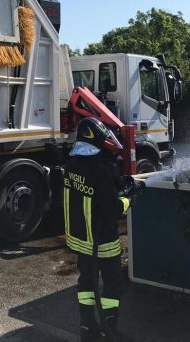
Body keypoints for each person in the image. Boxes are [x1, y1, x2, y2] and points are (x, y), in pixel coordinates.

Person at [63, 117, 134, 342]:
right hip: (102, 241)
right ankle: (109, 330)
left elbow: (91, 193)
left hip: (81, 240)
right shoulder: (99, 172)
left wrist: (115, 185)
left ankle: (88, 327)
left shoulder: (70, 167)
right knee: (112, 285)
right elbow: (113, 209)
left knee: (86, 283)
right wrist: (129, 198)